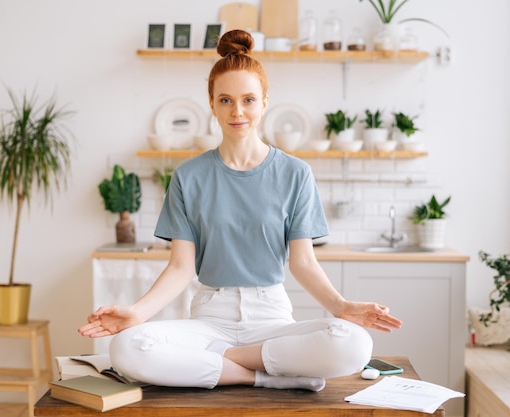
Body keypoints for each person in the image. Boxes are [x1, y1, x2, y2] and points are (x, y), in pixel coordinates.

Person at [79, 29, 402, 392]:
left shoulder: (295, 174)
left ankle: (224, 361)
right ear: (212, 104)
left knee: (354, 343)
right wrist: (136, 313)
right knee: (126, 347)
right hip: (209, 317)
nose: (238, 111)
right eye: (226, 100)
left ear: (265, 102)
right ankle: (266, 377)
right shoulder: (188, 176)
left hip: (272, 318)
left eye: (248, 99)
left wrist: (340, 306)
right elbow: (181, 267)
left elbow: (303, 262)